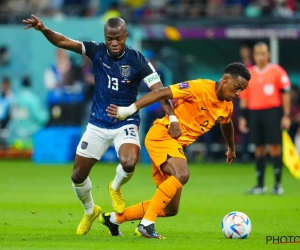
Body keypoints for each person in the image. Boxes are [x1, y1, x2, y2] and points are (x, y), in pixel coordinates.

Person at [23, 15, 181, 235]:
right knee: (77, 175)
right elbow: (62, 41)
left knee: (129, 162)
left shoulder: (138, 60)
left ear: (126, 36)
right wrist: (43, 29)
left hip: (125, 122)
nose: (114, 43)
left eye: (118, 38)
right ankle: (90, 211)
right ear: (105, 38)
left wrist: (173, 118)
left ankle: (114, 187)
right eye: (109, 39)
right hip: (97, 124)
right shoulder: (96, 51)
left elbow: (161, 91)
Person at [102, 62, 251, 238]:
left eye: (241, 90)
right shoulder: (199, 88)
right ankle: (146, 225)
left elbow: (227, 124)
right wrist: (129, 110)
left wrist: (231, 148)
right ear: (225, 79)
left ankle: (113, 219)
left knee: (170, 208)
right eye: (237, 87)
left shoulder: (226, 106)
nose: (238, 93)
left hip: (174, 145)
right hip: (162, 135)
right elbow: (161, 92)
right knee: (182, 174)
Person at [239, 42, 291, 195]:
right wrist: (243, 117)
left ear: (268, 54)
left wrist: (286, 115)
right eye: (257, 53)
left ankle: (277, 184)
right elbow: (244, 98)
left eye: (263, 53)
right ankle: (260, 185)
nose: (260, 56)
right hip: (255, 113)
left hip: (272, 112)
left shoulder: (277, 71)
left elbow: (285, 95)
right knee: (259, 147)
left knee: (275, 146)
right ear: (253, 55)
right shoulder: (248, 73)